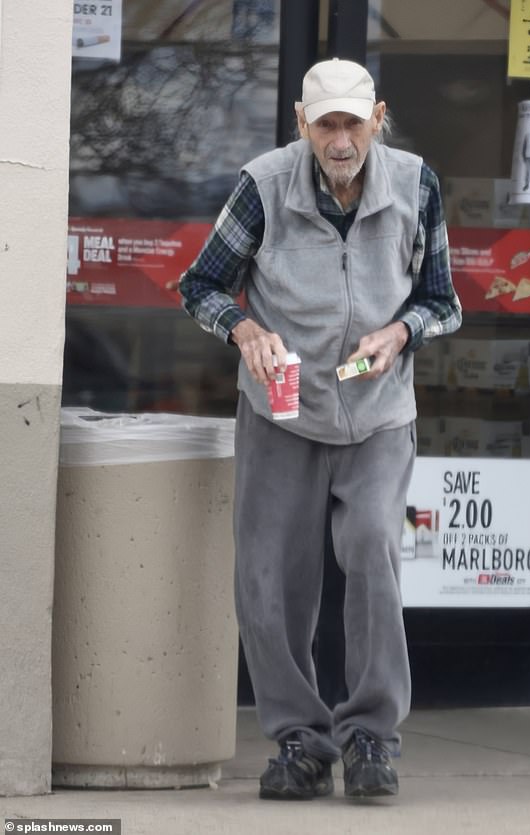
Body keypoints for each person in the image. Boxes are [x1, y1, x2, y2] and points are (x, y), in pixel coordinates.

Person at [179, 57, 462, 800]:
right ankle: (301, 741)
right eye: (326, 124)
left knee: (372, 548)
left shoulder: (415, 184)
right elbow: (201, 283)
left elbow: (443, 300)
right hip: (283, 409)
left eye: (354, 122)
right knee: (269, 580)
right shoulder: (264, 184)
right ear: (303, 124)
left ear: (379, 117)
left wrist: (401, 333)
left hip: (377, 412)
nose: (342, 141)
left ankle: (371, 733)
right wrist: (243, 331)